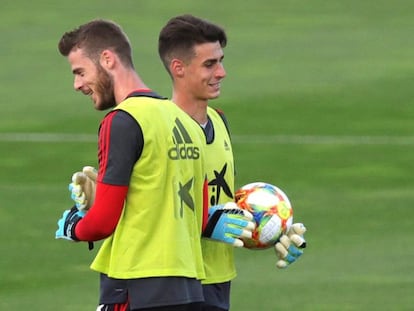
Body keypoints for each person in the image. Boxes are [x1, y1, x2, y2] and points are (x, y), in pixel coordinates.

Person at [54, 19, 254, 311]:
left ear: (107, 59)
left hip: (136, 281)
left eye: (80, 72)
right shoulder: (182, 120)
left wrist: (75, 226)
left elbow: (103, 222)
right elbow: (189, 203)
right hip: (187, 284)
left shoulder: (121, 121)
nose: (77, 84)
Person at [158, 14, 307, 311]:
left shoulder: (219, 121)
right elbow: (150, 207)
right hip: (169, 283)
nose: (222, 72)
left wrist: (273, 227)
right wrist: (206, 221)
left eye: (221, 61)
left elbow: (222, 202)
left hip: (217, 280)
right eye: (210, 64)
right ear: (179, 68)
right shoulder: (156, 127)